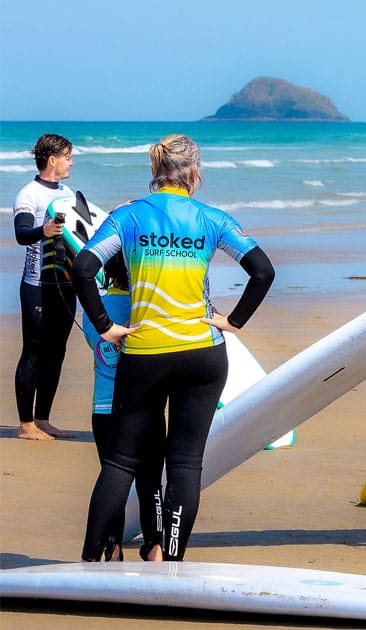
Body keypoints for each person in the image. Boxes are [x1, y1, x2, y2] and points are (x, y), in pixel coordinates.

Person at [73, 135, 275, 562]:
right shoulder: (213, 219)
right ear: (195, 174)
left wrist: (106, 326)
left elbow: (84, 267)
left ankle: (90, 561)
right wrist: (233, 321)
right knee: (184, 464)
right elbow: (262, 271)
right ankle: (172, 559)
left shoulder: (127, 218)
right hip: (203, 352)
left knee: (121, 463)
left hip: (145, 354)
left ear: (155, 171)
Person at [79, 254, 164, 561]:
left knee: (112, 480)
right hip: (145, 405)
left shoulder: (93, 309)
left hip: (103, 407)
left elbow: (95, 344)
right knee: (150, 479)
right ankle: (155, 546)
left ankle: (112, 549)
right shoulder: (146, 308)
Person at [11, 133, 77, 441]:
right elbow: (22, 234)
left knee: (57, 352)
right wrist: (44, 229)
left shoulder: (68, 193)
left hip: (65, 284)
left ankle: (43, 418)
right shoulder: (29, 194)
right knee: (33, 353)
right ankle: (26, 425)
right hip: (37, 285)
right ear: (52, 159)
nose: (71, 161)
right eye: (67, 156)